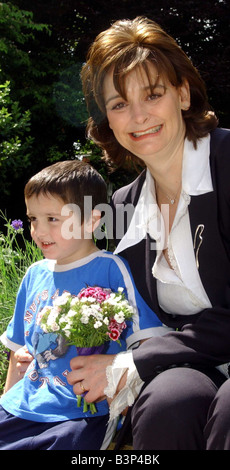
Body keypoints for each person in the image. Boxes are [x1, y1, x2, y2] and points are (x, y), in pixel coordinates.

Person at [66, 17, 230, 450]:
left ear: (182, 93)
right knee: (166, 402)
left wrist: (135, 361)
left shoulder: (229, 164)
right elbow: (116, 300)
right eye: (119, 104)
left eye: (152, 94)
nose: (138, 116)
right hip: (196, 364)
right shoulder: (120, 206)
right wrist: (48, 346)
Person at [0, 159, 164, 450]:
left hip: (83, 414)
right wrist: (6, 401)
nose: (38, 231)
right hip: (22, 406)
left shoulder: (111, 269)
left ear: (91, 220)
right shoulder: (34, 274)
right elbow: (17, 354)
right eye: (33, 219)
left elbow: (147, 340)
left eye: (52, 219)